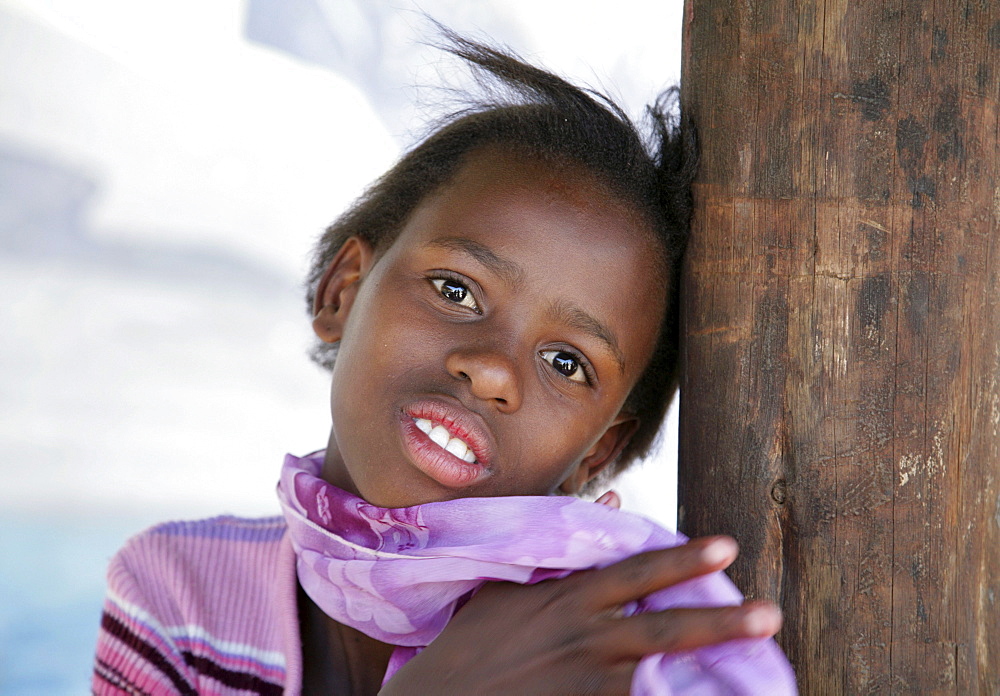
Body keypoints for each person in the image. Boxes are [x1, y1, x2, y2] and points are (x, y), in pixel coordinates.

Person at [92, 33, 795, 695]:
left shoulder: (614, 661)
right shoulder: (180, 593)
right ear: (343, 292)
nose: (491, 370)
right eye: (456, 290)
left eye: (565, 361)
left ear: (599, 451)